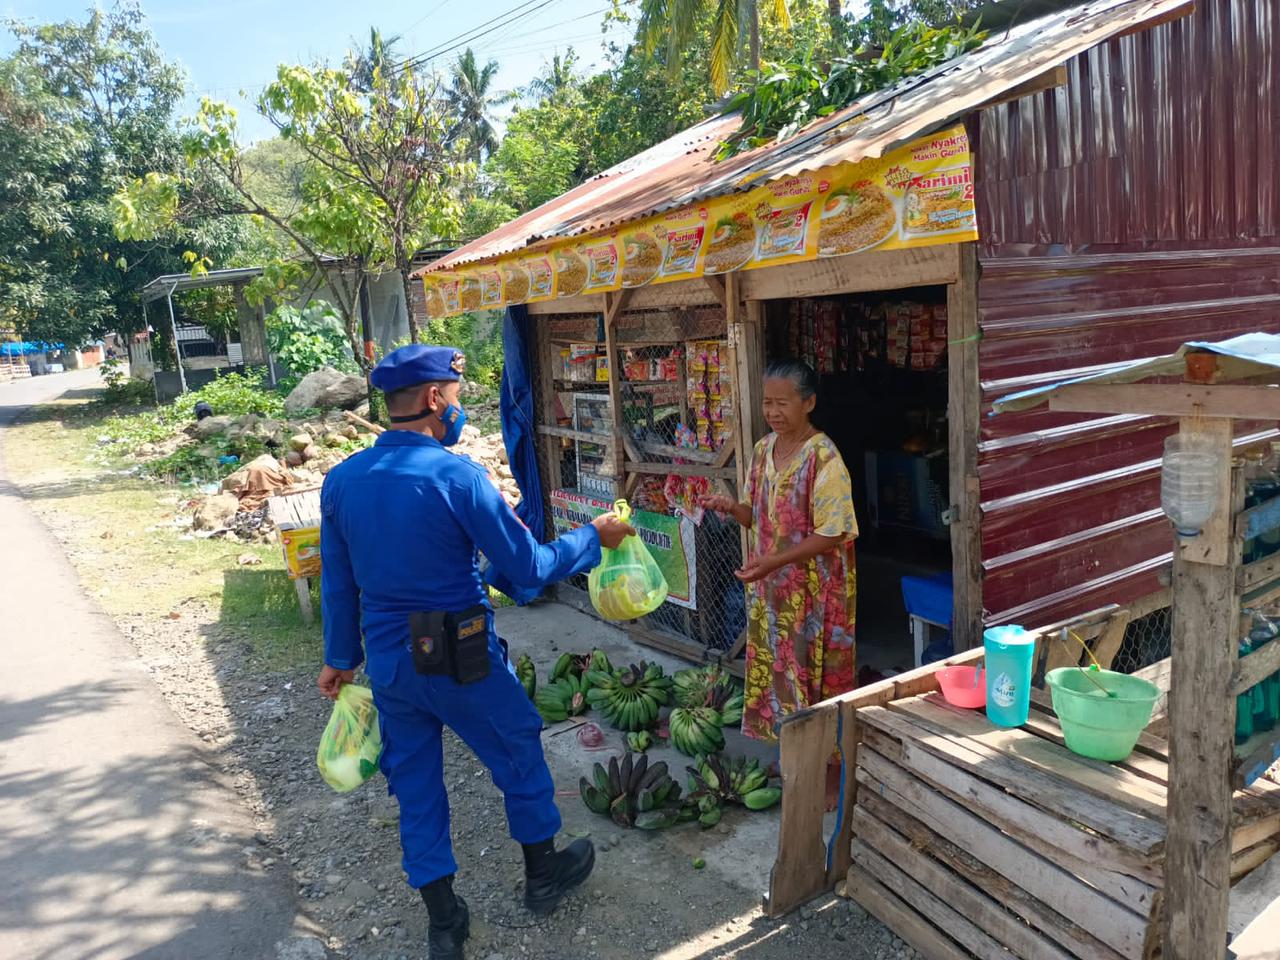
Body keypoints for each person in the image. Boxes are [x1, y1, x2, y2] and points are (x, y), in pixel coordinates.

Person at [317, 344, 635, 960]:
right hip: (461, 656)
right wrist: (593, 538)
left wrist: (339, 656)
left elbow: (337, 579)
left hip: (390, 664)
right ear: (435, 398)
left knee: (414, 783)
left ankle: (444, 923)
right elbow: (528, 568)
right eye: (457, 394)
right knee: (516, 745)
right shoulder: (457, 476)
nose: (460, 407)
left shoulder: (343, 480)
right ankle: (543, 876)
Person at [701, 358, 857, 798]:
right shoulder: (761, 450)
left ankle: (830, 772)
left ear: (808, 403)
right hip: (774, 592)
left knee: (820, 677)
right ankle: (792, 759)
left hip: (817, 595)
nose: (773, 411)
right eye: (767, 402)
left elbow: (834, 532)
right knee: (783, 674)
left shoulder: (824, 457)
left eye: (782, 402)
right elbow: (755, 515)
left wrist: (774, 562)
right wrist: (731, 508)